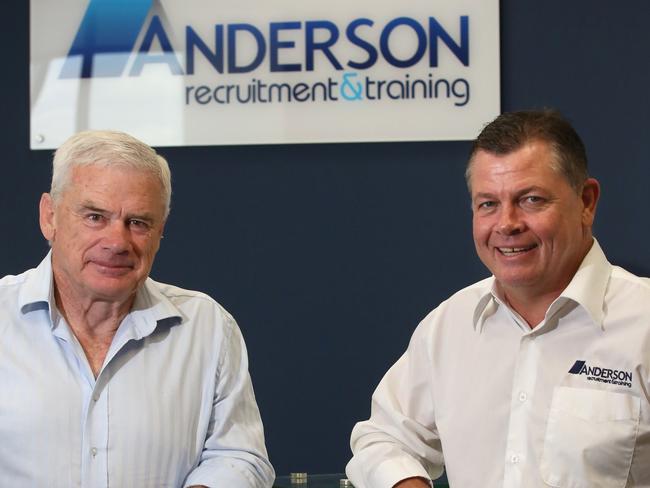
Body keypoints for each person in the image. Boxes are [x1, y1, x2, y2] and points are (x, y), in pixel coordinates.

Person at [346, 110, 650, 487]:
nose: (507, 224)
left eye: (531, 199)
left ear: (586, 202)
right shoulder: (449, 325)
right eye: (488, 204)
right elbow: (382, 439)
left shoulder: (643, 323)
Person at [0, 131, 275, 487]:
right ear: (49, 217)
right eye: (95, 217)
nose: (117, 242)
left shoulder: (206, 328)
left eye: (138, 222)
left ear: (160, 232)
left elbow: (241, 457)